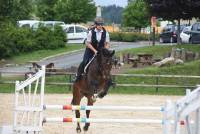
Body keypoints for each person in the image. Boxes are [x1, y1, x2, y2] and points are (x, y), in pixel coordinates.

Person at [74, 17, 110, 82]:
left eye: (101, 24)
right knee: (84, 61)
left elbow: (107, 44)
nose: (100, 26)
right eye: (99, 24)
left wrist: (105, 50)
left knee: (106, 63)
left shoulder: (106, 33)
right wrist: (94, 51)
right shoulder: (91, 32)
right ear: (96, 25)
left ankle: (109, 80)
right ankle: (77, 76)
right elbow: (88, 43)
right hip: (90, 50)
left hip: (100, 51)